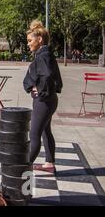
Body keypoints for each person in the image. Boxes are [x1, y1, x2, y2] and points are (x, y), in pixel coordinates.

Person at [23, 20, 63, 174]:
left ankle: (22, 169)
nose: (28, 44)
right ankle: (49, 163)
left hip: (44, 101)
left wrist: (40, 90)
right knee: (46, 131)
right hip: (49, 100)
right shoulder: (45, 53)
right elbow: (48, 76)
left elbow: (47, 75)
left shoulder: (43, 54)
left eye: (30, 40)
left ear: (39, 39)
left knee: (34, 135)